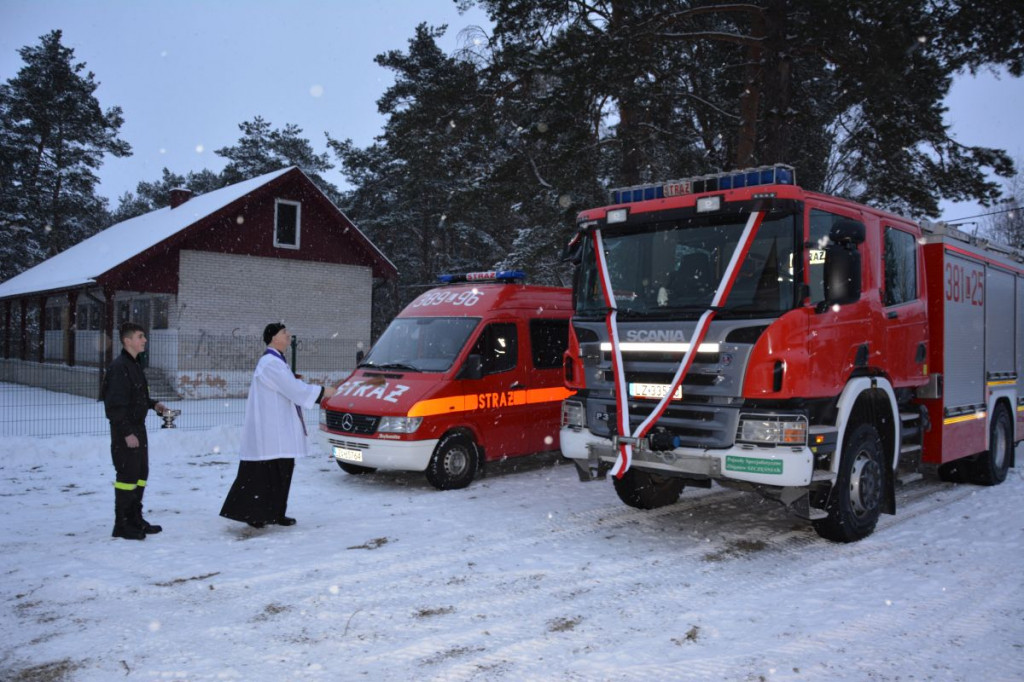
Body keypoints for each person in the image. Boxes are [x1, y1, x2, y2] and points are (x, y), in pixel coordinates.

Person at [220, 323, 336, 529]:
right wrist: (322, 391)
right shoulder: (270, 363)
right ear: (274, 337)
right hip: (271, 431)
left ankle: (275, 512)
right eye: (284, 332)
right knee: (264, 474)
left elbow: (286, 386)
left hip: (278, 430)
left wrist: (298, 383)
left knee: (281, 471)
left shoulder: (276, 362)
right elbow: (292, 389)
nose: (288, 334)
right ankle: (254, 514)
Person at [102, 322, 169, 541]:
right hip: (126, 432)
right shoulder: (119, 367)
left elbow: (136, 397)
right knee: (127, 478)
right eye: (140, 336)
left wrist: (154, 404)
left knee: (140, 476)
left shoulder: (134, 364)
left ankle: (135, 519)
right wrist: (126, 433)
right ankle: (122, 524)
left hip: (138, 429)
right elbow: (114, 406)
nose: (145, 340)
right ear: (127, 340)